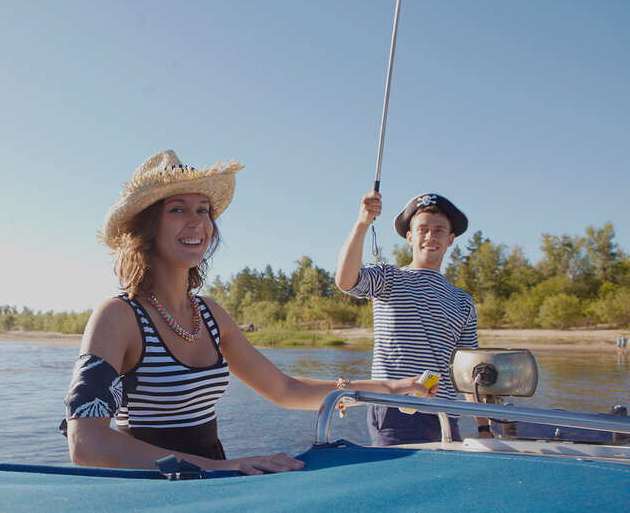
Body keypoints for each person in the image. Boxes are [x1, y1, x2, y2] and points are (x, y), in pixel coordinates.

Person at [61, 150, 436, 476]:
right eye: (177, 210)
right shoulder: (118, 316)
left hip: (214, 475)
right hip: (151, 485)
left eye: (203, 211)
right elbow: (86, 444)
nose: (197, 222)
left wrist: (389, 389)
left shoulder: (209, 314)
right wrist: (224, 468)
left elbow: (284, 389)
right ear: (147, 226)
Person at [335, 190, 492, 446]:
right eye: (423, 229)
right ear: (409, 237)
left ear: (451, 239)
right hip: (396, 411)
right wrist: (363, 222)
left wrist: (483, 427)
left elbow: (468, 373)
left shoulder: (463, 300)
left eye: (440, 230)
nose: (431, 236)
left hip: (445, 418)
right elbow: (345, 281)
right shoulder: (388, 277)